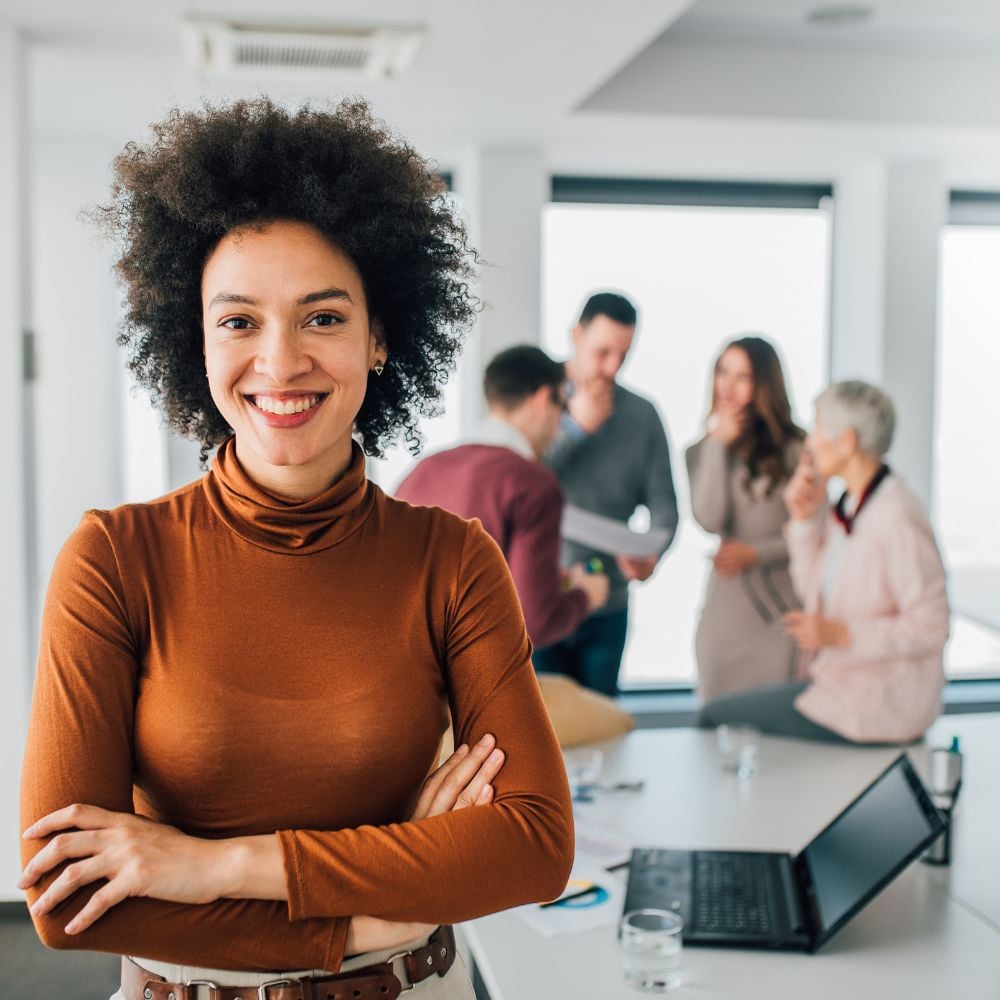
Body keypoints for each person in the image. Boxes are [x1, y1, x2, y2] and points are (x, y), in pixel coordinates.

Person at [18, 99, 573, 1000]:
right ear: (194, 340)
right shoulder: (114, 561)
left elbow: (535, 847)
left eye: (321, 317)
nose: (280, 364)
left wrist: (218, 866)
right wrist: (386, 906)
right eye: (239, 321)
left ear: (380, 336)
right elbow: (66, 897)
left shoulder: (454, 563)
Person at [700, 380, 949, 744]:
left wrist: (841, 634)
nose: (809, 442)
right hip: (840, 686)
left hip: (877, 703)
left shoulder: (899, 517)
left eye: (817, 431)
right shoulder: (849, 506)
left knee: (714, 717)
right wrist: (801, 520)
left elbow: (932, 627)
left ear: (846, 441)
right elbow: (811, 589)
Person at [396, 345, 609, 648]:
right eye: (562, 408)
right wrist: (585, 595)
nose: (558, 425)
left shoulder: (424, 469)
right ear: (541, 400)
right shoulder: (533, 484)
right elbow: (533, 622)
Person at [533, 292, 678, 696]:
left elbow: (665, 506)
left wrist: (652, 554)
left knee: (601, 730)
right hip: (537, 596)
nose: (612, 367)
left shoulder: (643, 415)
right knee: (539, 736)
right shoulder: (537, 398)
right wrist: (574, 428)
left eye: (623, 355)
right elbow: (515, 481)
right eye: (602, 352)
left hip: (608, 603)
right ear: (576, 335)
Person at [686, 336, 805, 700]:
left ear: (763, 384)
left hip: (777, 615)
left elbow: (815, 535)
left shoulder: (797, 448)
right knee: (715, 732)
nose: (728, 385)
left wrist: (757, 553)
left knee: (775, 736)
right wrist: (717, 445)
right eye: (723, 372)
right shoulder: (700, 452)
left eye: (743, 376)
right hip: (724, 616)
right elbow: (709, 518)